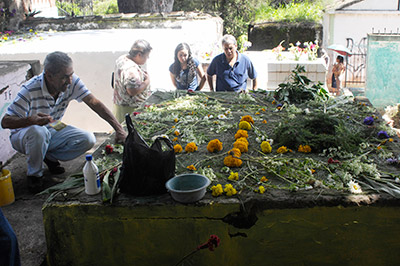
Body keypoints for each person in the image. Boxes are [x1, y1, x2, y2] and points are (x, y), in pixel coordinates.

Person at [1, 51, 127, 193]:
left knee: (88, 139)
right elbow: (5, 122)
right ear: (49, 75)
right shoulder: (30, 89)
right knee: (38, 131)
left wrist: (119, 129)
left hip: (51, 128)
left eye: (71, 74)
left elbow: (94, 102)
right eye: (64, 77)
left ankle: (48, 156)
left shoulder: (72, 82)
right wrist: (31, 120)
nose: (69, 81)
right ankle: (34, 175)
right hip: (24, 135)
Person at [113, 39, 152, 123]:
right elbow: (132, 91)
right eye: (146, 56)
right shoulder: (131, 69)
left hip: (120, 104)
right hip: (130, 108)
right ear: (139, 55)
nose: (147, 58)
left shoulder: (122, 59)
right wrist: (146, 82)